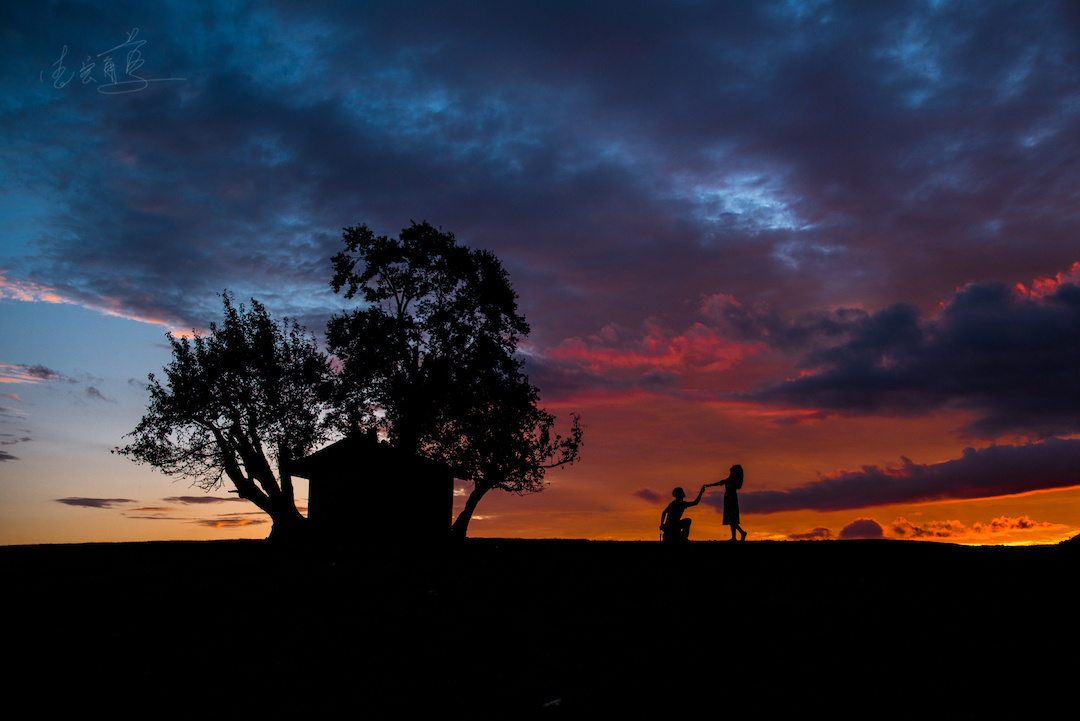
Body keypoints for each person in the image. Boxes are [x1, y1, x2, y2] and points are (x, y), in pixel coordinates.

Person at [705, 464, 746, 541]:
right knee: (731, 519)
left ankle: (739, 534)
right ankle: (736, 535)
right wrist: (710, 485)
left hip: (730, 499)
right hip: (730, 498)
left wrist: (710, 485)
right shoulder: (732, 479)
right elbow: (723, 482)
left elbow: (722, 482)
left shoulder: (732, 479)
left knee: (731, 518)